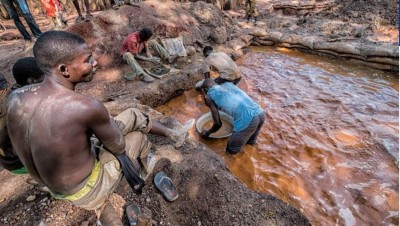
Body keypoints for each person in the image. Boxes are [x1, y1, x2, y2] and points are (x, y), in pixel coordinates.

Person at [7, 31, 193, 221]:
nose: (95, 62)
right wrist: (105, 126)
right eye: (87, 60)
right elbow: (118, 146)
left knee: (131, 116)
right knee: (137, 137)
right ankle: (146, 169)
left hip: (55, 186)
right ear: (64, 70)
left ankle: (171, 135)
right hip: (86, 190)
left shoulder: (16, 98)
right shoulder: (85, 106)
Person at [0, 57, 44, 173]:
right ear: (32, 81)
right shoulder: (25, 105)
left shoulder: (15, 92)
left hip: (9, 158)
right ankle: (47, 179)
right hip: (18, 163)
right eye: (45, 76)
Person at [199, 78, 265, 154]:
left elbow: (218, 124)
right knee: (250, 143)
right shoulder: (227, 84)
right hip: (260, 113)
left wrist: (207, 133)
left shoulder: (210, 96)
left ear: (206, 89)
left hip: (248, 119)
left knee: (231, 150)